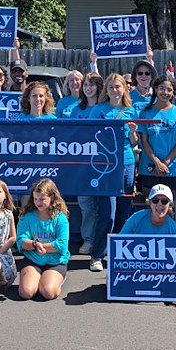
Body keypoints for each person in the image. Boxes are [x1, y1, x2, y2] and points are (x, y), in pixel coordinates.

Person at [86, 74, 138, 272]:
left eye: (118, 87)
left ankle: (117, 253)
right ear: (106, 91)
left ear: (124, 89)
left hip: (126, 163)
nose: (115, 90)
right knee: (107, 213)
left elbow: (134, 143)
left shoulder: (131, 111)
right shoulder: (98, 110)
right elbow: (90, 136)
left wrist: (133, 132)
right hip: (105, 166)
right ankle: (97, 255)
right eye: (111, 87)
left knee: (124, 212)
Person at [138, 76, 176, 219]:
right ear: (155, 90)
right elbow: (144, 140)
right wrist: (156, 163)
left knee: (171, 210)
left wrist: (165, 163)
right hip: (149, 168)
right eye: (162, 89)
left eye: (169, 90)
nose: (165, 92)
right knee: (150, 208)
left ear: (173, 93)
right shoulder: (146, 112)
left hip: (173, 170)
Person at [15, 178, 71, 301]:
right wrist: (35, 245)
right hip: (33, 259)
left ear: (52, 198)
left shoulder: (60, 218)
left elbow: (62, 245)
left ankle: (55, 279)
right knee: (26, 293)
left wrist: (42, 247)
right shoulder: (27, 216)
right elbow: (20, 240)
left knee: (48, 292)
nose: (38, 202)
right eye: (35, 199)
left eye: (42, 199)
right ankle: (36, 278)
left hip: (55, 262)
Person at [73, 72, 105, 252]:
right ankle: (88, 239)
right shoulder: (78, 109)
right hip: (82, 163)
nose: (88, 88)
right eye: (86, 84)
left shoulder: (103, 108)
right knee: (85, 203)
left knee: (102, 205)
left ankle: (101, 241)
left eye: (92, 84)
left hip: (102, 163)